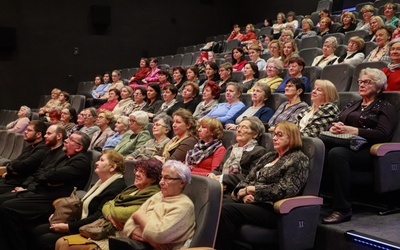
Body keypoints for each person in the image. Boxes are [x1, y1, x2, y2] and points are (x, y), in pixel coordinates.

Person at [215, 122, 309, 250]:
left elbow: (288, 189)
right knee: (214, 202)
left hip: (271, 208)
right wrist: (242, 194)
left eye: (280, 135)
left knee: (226, 210)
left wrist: (253, 191)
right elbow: (248, 178)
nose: (274, 138)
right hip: (251, 202)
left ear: (292, 138)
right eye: (274, 134)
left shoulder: (298, 159)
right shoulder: (269, 156)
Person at [321, 68, 397, 224]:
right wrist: (333, 127)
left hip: (371, 152)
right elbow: (333, 121)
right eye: (360, 82)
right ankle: (320, 198)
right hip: (347, 144)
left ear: (379, 86)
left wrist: (353, 130)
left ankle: (343, 209)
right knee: (321, 148)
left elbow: (383, 133)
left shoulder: (385, 107)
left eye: (367, 82)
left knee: (337, 153)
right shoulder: (353, 104)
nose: (361, 85)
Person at [0, 131, 92, 250]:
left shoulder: (81, 162)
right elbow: (42, 172)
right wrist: (47, 179)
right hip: (43, 192)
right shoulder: (64, 156)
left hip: (53, 200)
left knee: (7, 207)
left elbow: (51, 176)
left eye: (70, 140)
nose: (66, 140)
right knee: (3, 200)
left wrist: (47, 178)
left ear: (79, 147)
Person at [54, 158, 162, 250]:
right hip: (105, 227)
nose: (137, 174)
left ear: (152, 178)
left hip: (118, 236)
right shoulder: (132, 189)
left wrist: (111, 209)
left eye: (142, 172)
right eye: (137, 170)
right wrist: (110, 215)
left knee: (63, 244)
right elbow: (107, 204)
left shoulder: (153, 195)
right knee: (60, 242)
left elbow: (124, 214)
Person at [33, 150, 127, 250]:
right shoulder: (101, 182)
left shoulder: (117, 187)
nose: (96, 162)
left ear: (112, 167)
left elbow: (99, 217)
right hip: (81, 222)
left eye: (102, 160)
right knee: (38, 230)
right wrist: (59, 216)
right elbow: (82, 206)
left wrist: (68, 227)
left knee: (45, 239)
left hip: (94, 229)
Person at [120, 160, 195, 250]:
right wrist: (149, 239)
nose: (161, 182)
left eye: (167, 178)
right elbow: (128, 226)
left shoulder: (184, 206)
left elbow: (158, 235)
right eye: (161, 177)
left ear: (182, 183)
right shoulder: (159, 195)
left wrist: (138, 216)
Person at [208, 117, 268, 194]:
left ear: (255, 134)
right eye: (238, 127)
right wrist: (212, 174)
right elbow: (219, 169)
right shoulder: (232, 148)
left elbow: (250, 178)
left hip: (237, 191)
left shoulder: (259, 151)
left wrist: (222, 179)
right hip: (220, 187)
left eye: (244, 128)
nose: (239, 130)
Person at [0, 120, 49, 193]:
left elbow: (23, 165)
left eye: (29, 130)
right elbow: (14, 162)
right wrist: (10, 168)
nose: (25, 132)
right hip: (11, 179)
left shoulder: (43, 149)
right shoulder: (30, 147)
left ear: (38, 134)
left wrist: (11, 168)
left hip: (19, 183)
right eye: (26, 129)